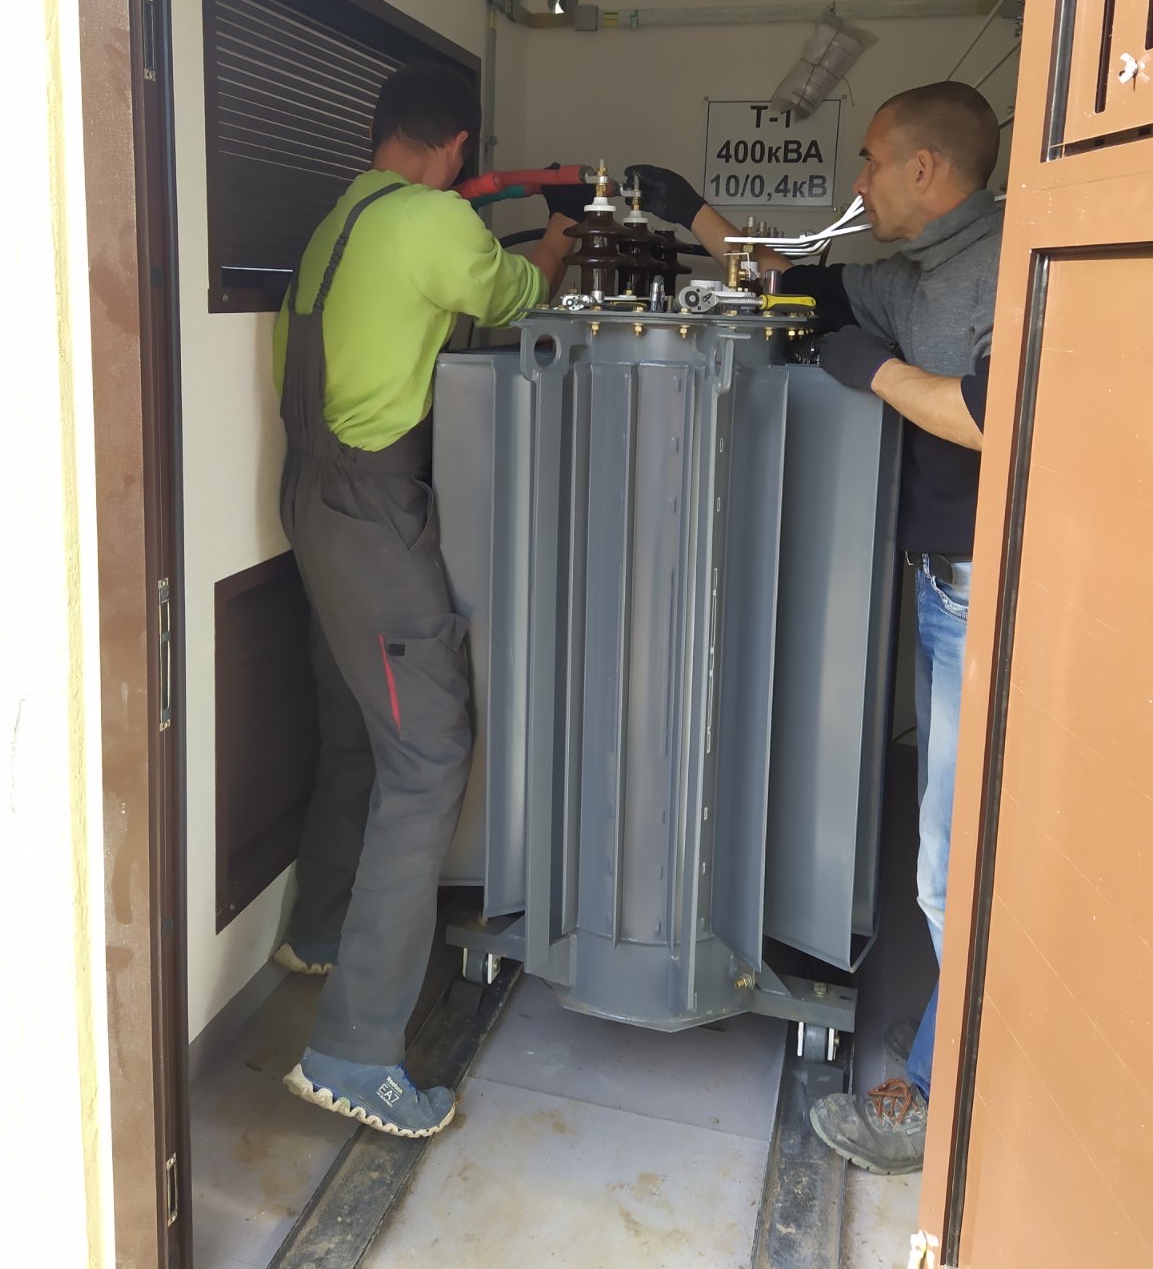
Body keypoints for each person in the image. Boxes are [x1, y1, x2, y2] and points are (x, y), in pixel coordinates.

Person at [628, 81, 1001, 1174]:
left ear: (927, 169)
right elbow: (789, 282)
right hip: (940, 589)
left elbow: (995, 415)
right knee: (950, 846)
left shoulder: (1006, 268)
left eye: (873, 160)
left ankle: (938, 1102)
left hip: (994, 593)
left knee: (957, 865)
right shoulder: (906, 273)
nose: (858, 180)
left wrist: (874, 371)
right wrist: (692, 212)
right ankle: (952, 1053)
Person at [272, 62, 576, 1138]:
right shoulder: (435, 221)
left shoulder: (336, 221)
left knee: (356, 727)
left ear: (380, 131)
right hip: (372, 518)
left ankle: (317, 930)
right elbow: (518, 298)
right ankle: (353, 1052)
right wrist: (555, 243)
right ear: (456, 149)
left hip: (308, 503)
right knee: (429, 756)